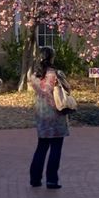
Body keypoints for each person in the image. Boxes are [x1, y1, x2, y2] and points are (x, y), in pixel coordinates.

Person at [29, 46, 70, 189]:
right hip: (56, 112)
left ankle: (35, 178)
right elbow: (67, 89)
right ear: (51, 57)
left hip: (41, 113)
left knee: (41, 146)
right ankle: (52, 179)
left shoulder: (34, 76)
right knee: (55, 148)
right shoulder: (57, 74)